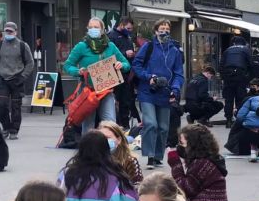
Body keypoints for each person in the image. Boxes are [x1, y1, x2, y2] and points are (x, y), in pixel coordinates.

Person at [64, 17, 131, 136]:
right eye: (91, 27)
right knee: (88, 124)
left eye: (96, 27)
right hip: (88, 91)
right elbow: (68, 66)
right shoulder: (82, 46)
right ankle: (87, 152)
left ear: (102, 30)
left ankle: (110, 151)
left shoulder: (110, 46)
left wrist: (121, 64)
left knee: (110, 122)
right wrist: (78, 71)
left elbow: (127, 65)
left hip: (106, 90)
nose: (93, 29)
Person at [132, 19, 184, 169]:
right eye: (161, 29)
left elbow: (178, 74)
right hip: (147, 91)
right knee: (151, 124)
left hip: (165, 93)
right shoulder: (148, 47)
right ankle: (149, 155)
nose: (164, 31)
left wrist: (175, 88)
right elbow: (137, 64)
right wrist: (149, 77)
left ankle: (157, 155)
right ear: (156, 31)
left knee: (163, 127)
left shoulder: (174, 51)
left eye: (167, 29)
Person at [167, 123, 228, 201]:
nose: (179, 147)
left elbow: (183, 189)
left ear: (193, 145)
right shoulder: (205, 160)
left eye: (182, 143)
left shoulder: (202, 164)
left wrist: (175, 163)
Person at [0, 21, 33, 140]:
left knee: (16, 106)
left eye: (10, 31)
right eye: (6, 31)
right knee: (1, 105)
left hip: (17, 79)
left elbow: (30, 63)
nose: (8, 33)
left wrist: (23, 76)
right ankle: (6, 127)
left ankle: (14, 130)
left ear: (16, 32)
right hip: (2, 79)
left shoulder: (22, 46)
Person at [108, 17, 138, 128]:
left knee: (126, 102)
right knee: (116, 102)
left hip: (126, 75)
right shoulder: (111, 36)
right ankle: (117, 125)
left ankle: (125, 126)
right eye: (128, 28)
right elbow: (110, 55)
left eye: (131, 29)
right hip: (115, 74)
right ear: (121, 25)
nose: (129, 30)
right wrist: (125, 53)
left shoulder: (128, 37)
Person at [220, 36, 253, 127]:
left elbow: (221, 65)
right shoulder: (245, 49)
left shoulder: (227, 50)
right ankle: (239, 119)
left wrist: (223, 77)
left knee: (229, 99)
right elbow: (251, 64)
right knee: (240, 99)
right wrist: (248, 78)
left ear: (234, 43)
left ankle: (228, 120)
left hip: (228, 76)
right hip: (240, 75)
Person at [99, 120, 143, 185]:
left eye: (108, 138)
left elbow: (136, 188)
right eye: (101, 138)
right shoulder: (90, 161)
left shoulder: (130, 161)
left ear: (119, 140)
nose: (104, 141)